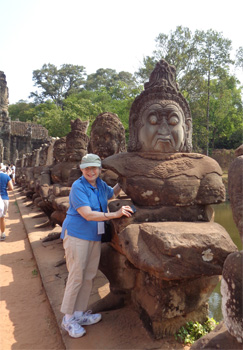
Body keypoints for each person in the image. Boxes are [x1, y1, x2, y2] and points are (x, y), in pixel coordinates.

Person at [60, 153, 133, 338]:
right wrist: (115, 215)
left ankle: (79, 314)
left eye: (94, 168)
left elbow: (112, 193)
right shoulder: (78, 187)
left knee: (89, 275)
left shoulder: (99, 184)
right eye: (87, 168)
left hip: (93, 235)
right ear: (82, 169)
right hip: (77, 235)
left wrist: (123, 180)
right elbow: (88, 214)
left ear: (99, 169)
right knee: (77, 275)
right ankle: (68, 319)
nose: (91, 171)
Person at [0, 163, 13, 241]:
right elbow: (11, 188)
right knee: (2, 218)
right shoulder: (6, 176)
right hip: (4, 198)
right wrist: (5, 189)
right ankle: (3, 234)